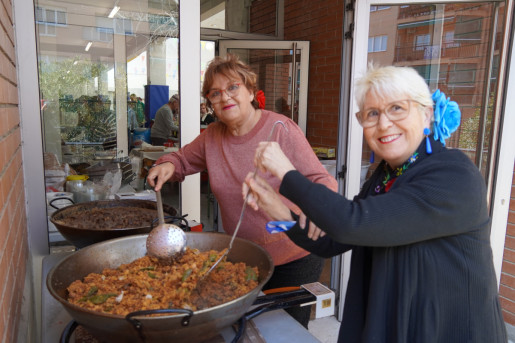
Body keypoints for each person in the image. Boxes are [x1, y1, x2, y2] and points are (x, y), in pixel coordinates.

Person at [243, 65, 507, 342]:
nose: (383, 124)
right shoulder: (385, 176)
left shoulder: (453, 174)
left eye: (397, 108)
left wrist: (287, 173)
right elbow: (333, 241)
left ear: (426, 114)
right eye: (372, 114)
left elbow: (350, 223)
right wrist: (279, 211)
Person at [147, 54, 338, 328]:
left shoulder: (280, 129)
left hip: (294, 254)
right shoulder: (212, 136)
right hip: (245, 256)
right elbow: (182, 160)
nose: (225, 97)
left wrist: (319, 214)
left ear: (250, 91)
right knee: (247, 328)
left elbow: (322, 181)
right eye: (215, 93)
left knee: (286, 332)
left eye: (233, 87)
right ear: (210, 102)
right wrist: (166, 164)